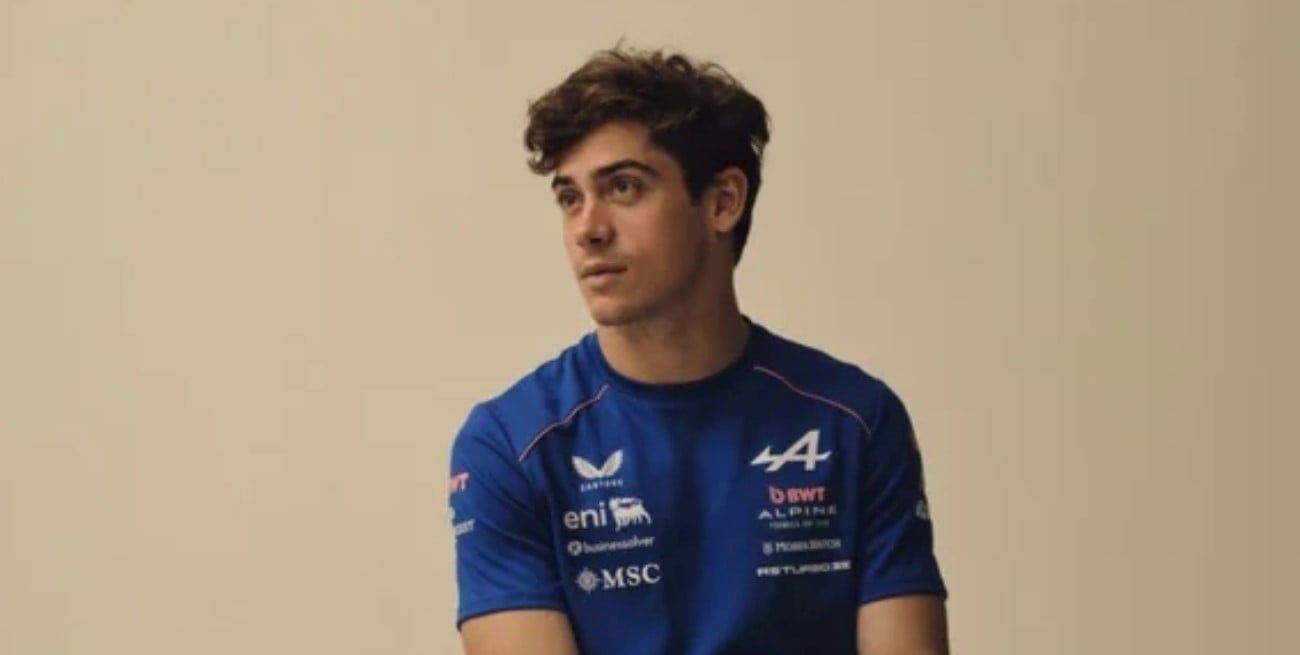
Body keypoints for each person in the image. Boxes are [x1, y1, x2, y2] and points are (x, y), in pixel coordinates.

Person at [447, 43, 950, 655]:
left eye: (623, 187)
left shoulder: (855, 422)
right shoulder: (511, 444)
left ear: (722, 202)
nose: (588, 229)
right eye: (570, 198)